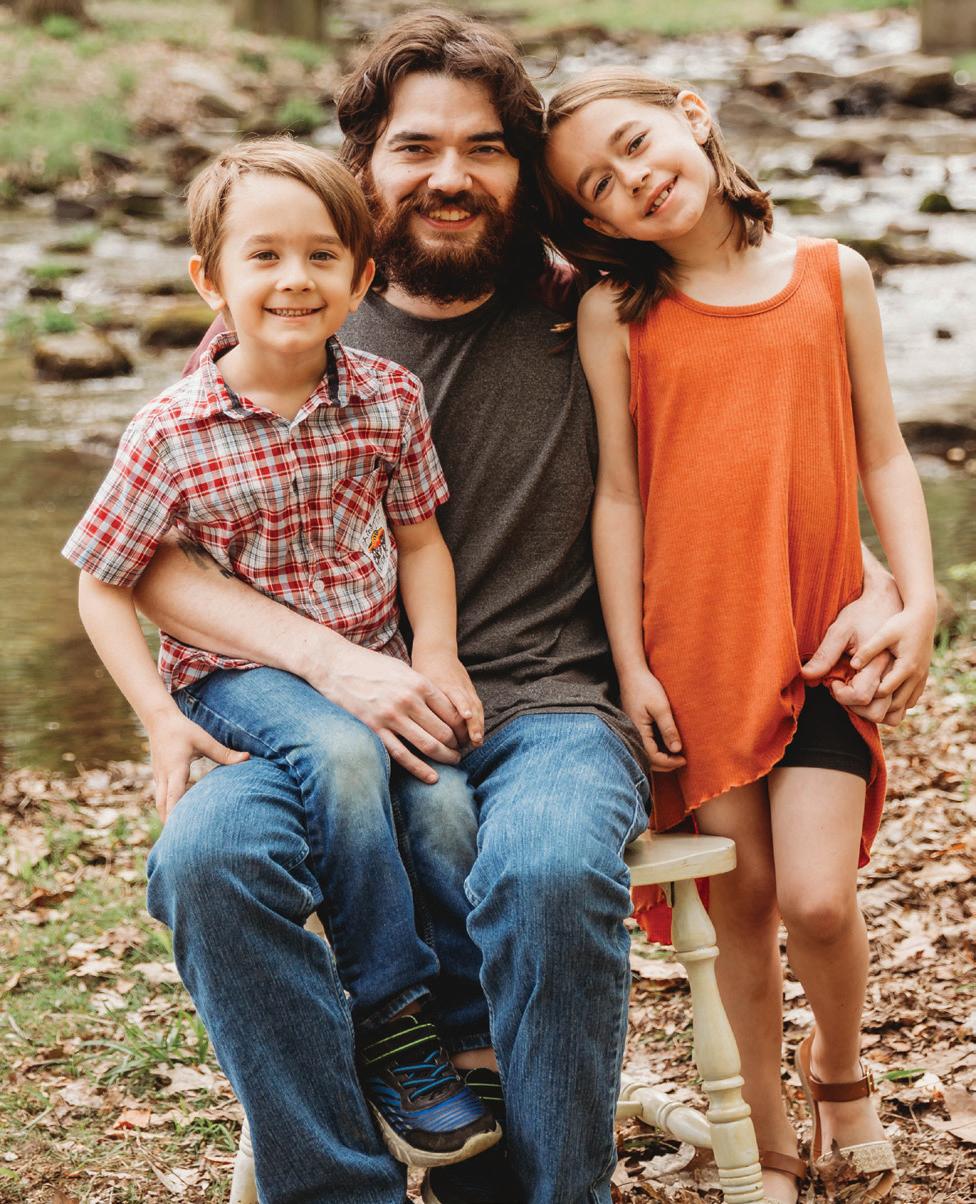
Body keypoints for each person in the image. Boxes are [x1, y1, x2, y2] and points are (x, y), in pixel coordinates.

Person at [134, 14, 907, 1204]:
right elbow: (157, 562)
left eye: (486, 149)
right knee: (208, 858)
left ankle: (547, 1190)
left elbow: (742, 453)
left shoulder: (599, 306)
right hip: (322, 717)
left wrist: (885, 581)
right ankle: (337, 1184)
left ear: (527, 174)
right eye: (416, 147)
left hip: (552, 706)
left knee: (548, 868)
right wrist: (336, 666)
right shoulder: (291, 315)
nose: (450, 176)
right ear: (363, 166)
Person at [61, 137, 501, 1170]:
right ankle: (390, 1014)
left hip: (376, 662)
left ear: (363, 274)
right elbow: (101, 580)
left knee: (444, 798)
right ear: (209, 280)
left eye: (320, 255)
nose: (294, 278)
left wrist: (438, 653)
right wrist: (158, 720)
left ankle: (464, 1030)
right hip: (237, 680)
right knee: (342, 756)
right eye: (263, 256)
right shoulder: (171, 431)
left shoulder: (388, 398)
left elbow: (419, 541)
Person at [541, 69, 937, 1204]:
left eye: (634, 144)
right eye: (597, 186)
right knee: (743, 905)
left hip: (817, 640)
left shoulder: (831, 274)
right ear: (595, 223)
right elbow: (618, 495)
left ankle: (839, 1070)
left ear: (692, 115)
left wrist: (915, 598)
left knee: (817, 897)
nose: (632, 180)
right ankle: (762, 1130)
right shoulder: (617, 316)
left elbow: (882, 453)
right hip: (695, 652)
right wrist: (631, 663)